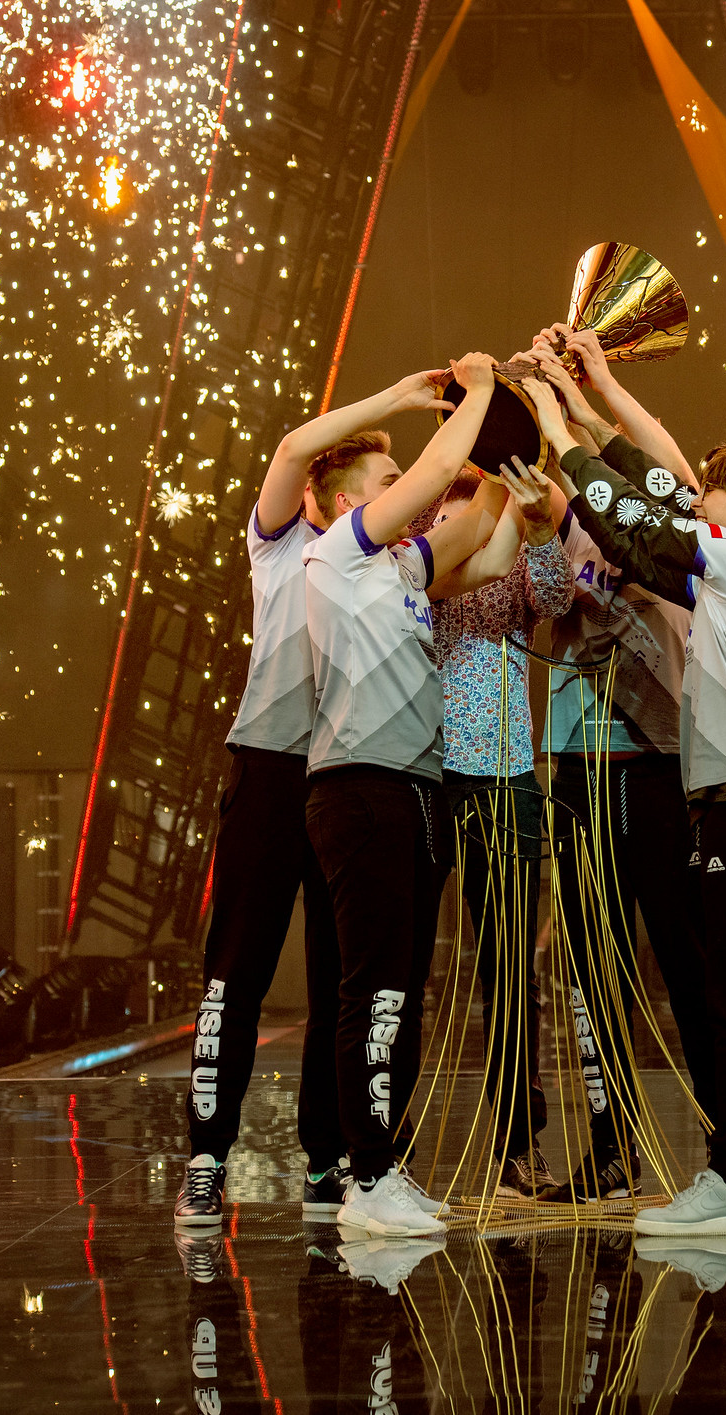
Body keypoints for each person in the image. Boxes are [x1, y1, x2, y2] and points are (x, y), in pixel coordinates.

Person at [519, 373, 726, 1237]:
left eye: (709, 489)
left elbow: (629, 517)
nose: (691, 495)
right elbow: (655, 482)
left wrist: (556, 418)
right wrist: (591, 388)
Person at [174, 367, 458, 1229]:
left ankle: (332, 1162)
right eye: (379, 477)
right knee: (237, 973)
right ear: (329, 495)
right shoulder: (281, 542)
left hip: (345, 774)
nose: (395, 490)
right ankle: (204, 1158)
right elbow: (296, 444)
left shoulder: (381, 560)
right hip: (268, 769)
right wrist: (401, 400)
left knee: (347, 977)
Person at [303, 351, 556, 1238]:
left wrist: (522, 448)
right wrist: (479, 390)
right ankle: (367, 1173)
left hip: (409, 790)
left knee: (396, 990)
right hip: (362, 785)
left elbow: (480, 542)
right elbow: (441, 472)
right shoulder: (340, 554)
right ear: (349, 504)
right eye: (387, 479)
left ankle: (383, 1170)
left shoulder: (400, 573)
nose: (407, 484)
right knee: (373, 990)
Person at [516, 332, 714, 1207]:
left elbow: (662, 464)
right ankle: (609, 1148)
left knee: (688, 960)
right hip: (580, 762)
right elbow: (544, 614)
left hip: (659, 765)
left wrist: (575, 396)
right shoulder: (558, 523)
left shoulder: (674, 542)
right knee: (595, 974)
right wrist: (542, 532)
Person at [415, 472, 572, 1198]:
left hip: (505, 777)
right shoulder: (417, 546)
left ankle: (518, 1146)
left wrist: (538, 521)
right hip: (417, 774)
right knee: (401, 970)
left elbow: (559, 596)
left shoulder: (515, 554)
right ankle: (381, 1153)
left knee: (510, 973)